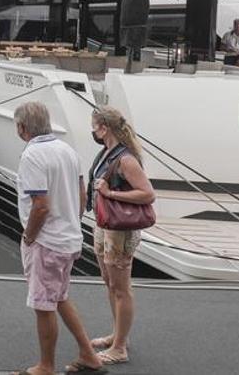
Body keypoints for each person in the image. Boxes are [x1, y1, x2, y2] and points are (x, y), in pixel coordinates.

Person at [13, 101, 106, 375]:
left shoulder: (32, 156)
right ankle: (89, 355)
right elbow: (80, 194)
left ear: (22, 128)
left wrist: (29, 237)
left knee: (43, 304)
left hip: (46, 242)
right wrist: (71, 222)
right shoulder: (67, 149)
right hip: (69, 238)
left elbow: (40, 205)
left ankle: (46, 366)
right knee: (60, 297)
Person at [85, 106, 156, 367]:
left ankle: (120, 347)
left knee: (121, 288)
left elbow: (147, 194)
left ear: (104, 128)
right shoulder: (106, 153)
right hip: (105, 224)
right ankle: (117, 335)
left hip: (120, 228)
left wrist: (111, 194)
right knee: (109, 282)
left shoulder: (125, 159)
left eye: (94, 125)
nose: (92, 130)